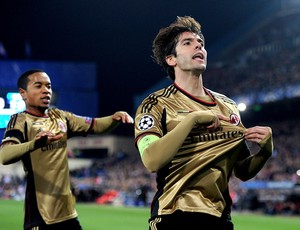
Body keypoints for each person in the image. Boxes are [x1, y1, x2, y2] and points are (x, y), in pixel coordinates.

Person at [134, 16, 273, 230]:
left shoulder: (228, 106)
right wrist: (192, 119)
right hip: (174, 215)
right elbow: (152, 160)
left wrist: (264, 151)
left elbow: (242, 171)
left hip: (219, 218)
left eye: (201, 43)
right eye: (188, 43)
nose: (198, 45)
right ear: (171, 59)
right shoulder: (156, 104)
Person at [0, 69, 134, 230]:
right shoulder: (20, 121)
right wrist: (34, 144)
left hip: (67, 212)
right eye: (38, 86)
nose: (46, 90)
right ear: (23, 93)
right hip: (41, 214)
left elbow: (95, 125)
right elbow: (5, 155)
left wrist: (113, 118)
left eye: (48, 86)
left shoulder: (60, 117)